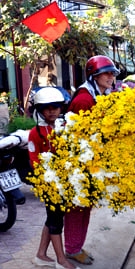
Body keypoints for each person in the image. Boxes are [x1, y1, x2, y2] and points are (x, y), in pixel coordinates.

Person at [64, 55, 120, 265]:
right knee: (77, 207)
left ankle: (76, 246)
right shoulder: (84, 99)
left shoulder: (98, 95)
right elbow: (82, 135)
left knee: (85, 206)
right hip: (79, 163)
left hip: (90, 160)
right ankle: (71, 248)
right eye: (106, 73)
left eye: (111, 73)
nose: (110, 77)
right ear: (94, 76)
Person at [28, 87, 80, 269]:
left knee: (53, 219)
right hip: (48, 184)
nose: (51, 111)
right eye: (46, 108)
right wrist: (46, 181)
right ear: (40, 110)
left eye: (55, 107)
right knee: (56, 221)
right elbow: (34, 160)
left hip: (65, 182)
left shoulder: (64, 128)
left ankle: (41, 255)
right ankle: (61, 259)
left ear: (61, 109)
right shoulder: (36, 133)